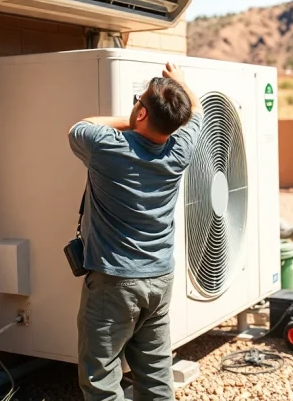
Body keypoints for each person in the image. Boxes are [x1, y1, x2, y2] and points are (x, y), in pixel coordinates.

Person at [68, 62, 203, 401]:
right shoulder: (180, 150)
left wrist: (130, 121)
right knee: (156, 374)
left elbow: (80, 126)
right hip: (160, 279)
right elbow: (197, 112)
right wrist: (178, 90)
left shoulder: (107, 147)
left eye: (138, 102)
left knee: (101, 377)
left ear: (141, 113)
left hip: (114, 283)